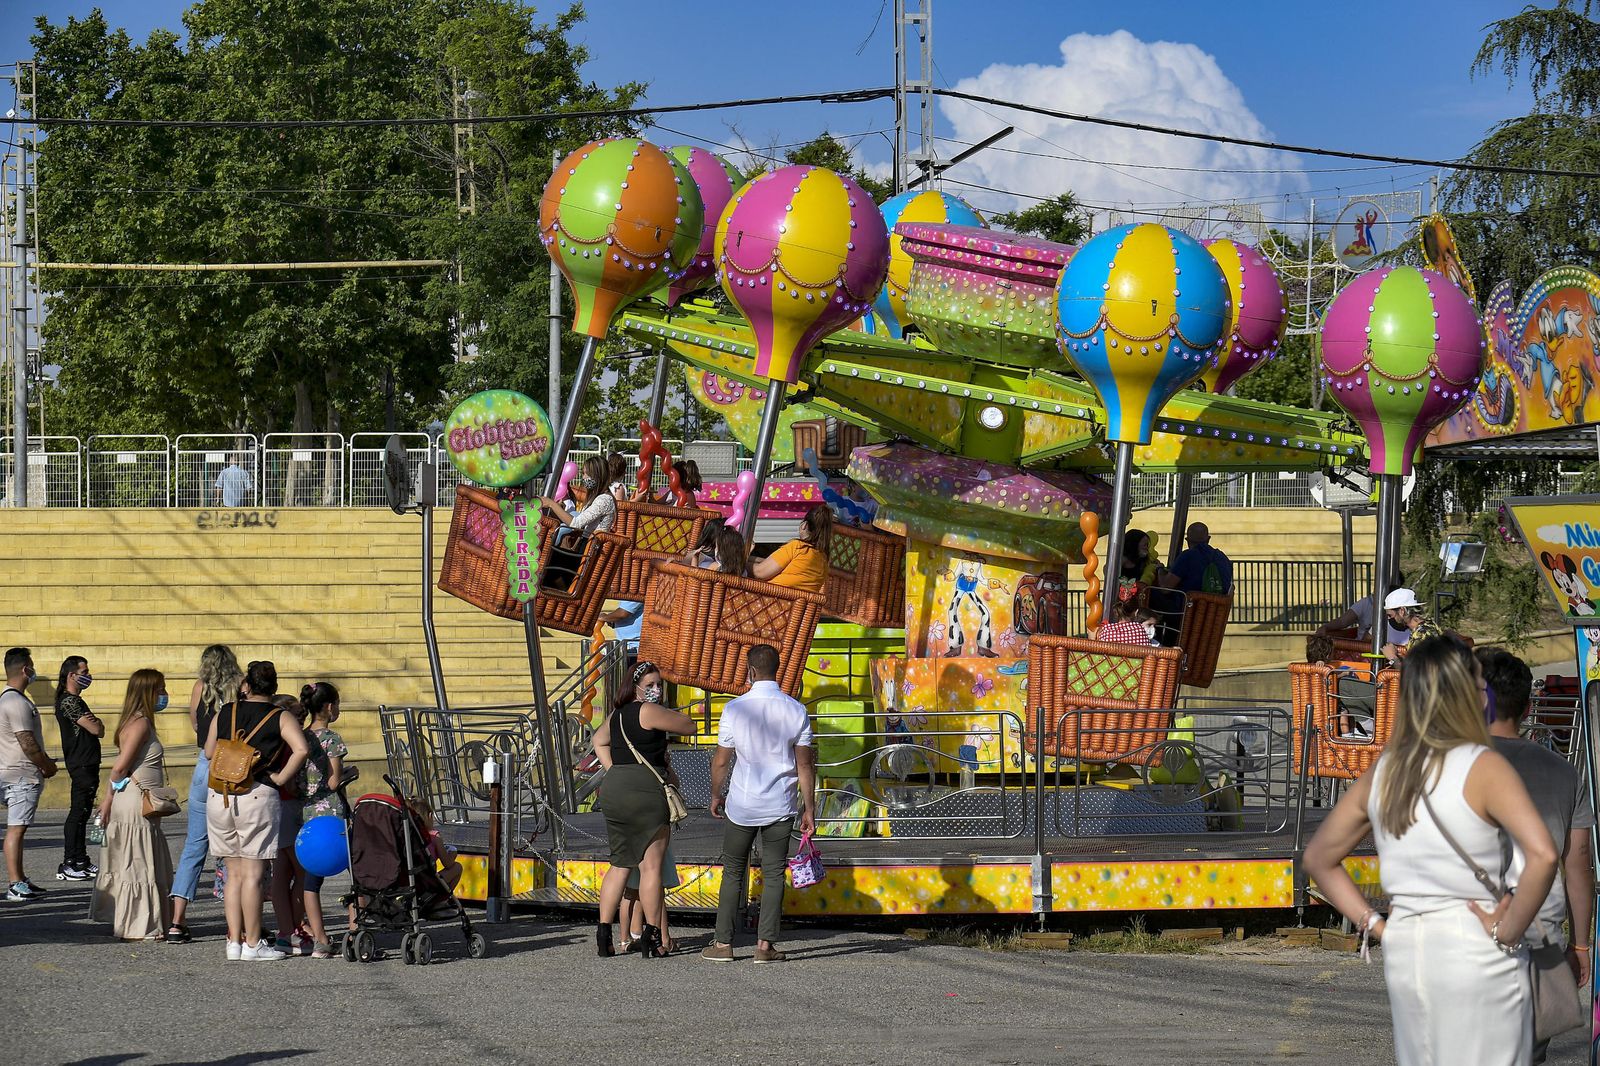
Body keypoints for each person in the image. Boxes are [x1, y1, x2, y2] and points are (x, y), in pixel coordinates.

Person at [1303, 635, 1559, 1066]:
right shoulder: (1483, 765)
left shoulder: (1387, 769)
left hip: (1408, 946)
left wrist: (1376, 925)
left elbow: (1319, 858)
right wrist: (1511, 928)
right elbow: (1545, 855)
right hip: (1476, 946)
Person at [1478, 648, 1595, 1065]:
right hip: (1538, 938)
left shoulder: (1445, 763)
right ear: (1528, 707)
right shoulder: (1563, 772)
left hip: (1461, 937)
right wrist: (1581, 946)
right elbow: (1578, 864)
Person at [703, 644, 816, 964]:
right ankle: (765, 947)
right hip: (780, 803)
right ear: (777, 669)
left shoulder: (735, 709)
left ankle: (723, 944)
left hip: (741, 803)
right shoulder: (795, 709)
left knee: (733, 873)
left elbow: (721, 762)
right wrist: (809, 808)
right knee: (774, 873)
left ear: (750, 671)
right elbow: (805, 766)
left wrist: (715, 794)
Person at [204, 660, 310, 961]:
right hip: (257, 792)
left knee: (233, 874)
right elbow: (300, 748)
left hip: (221, 793)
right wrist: (280, 777)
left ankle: (233, 942)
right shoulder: (280, 715)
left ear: (246, 685)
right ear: (274, 687)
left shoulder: (226, 711)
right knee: (253, 874)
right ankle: (253, 943)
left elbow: (210, 751)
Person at [591, 661, 696, 958]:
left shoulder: (617, 715)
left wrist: (614, 767)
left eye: (659, 685)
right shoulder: (649, 711)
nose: (656, 690)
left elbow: (597, 740)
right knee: (651, 867)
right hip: (646, 791)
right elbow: (690, 725)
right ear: (635, 687)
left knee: (620, 864)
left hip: (615, 787)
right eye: (650, 685)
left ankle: (603, 935)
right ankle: (651, 936)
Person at [92, 668, 176, 941]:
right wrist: (108, 799)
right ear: (148, 692)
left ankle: (136, 921)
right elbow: (119, 769)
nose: (164, 695)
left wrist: (107, 800)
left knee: (135, 860)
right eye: (160, 689)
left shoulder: (134, 721)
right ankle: (139, 925)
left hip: (131, 800)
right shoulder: (139, 723)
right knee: (138, 863)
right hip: (134, 803)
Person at [168, 644, 243, 943]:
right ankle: (234, 923)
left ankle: (177, 921)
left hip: (204, 764)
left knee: (194, 847)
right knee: (231, 847)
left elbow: (195, 723)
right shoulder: (239, 687)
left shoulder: (200, 687)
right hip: (233, 764)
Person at [1, 647, 57, 901]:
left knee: (18, 828)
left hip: (13, 773)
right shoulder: (15, 702)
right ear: (26, 669)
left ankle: (21, 878)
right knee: (16, 829)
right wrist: (46, 765)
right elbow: (27, 741)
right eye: (32, 666)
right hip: (20, 776)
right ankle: (14, 884)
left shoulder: (7, 698)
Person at [299, 681, 348, 959]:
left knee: (311, 879)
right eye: (337, 704)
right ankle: (354, 928)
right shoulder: (332, 739)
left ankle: (320, 939)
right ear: (329, 707)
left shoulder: (300, 737)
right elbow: (333, 780)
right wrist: (346, 772)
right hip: (331, 813)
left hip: (307, 815)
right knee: (356, 875)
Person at [53, 655, 104, 881]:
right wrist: (97, 723)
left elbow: (97, 726)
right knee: (78, 812)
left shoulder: (77, 701)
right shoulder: (69, 702)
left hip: (88, 762)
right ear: (71, 675)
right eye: (84, 673)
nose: (88, 676)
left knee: (83, 812)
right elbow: (96, 729)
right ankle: (70, 862)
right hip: (81, 763)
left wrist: (97, 723)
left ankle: (81, 859)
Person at [751, 505, 831, 593]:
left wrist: (740, 561)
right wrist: (750, 558)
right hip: (794, 605)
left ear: (804, 525)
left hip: (769, 602)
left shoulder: (798, 547)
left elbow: (759, 572)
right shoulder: (823, 559)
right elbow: (780, 564)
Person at [1315, 572, 1409, 645]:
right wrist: (1326, 627)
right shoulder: (1366, 603)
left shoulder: (1404, 613)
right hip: (1364, 651)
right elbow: (1343, 621)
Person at [539, 455, 617, 535]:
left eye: (586, 474)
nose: (583, 478)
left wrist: (551, 504)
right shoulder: (598, 497)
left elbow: (576, 524)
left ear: (597, 475)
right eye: (582, 473)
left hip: (588, 545)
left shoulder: (604, 500)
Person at [1165, 522, 1232, 595]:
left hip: (1189, 604)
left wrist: (1160, 569)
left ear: (1187, 540)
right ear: (1208, 539)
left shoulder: (1187, 556)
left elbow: (1165, 587)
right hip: (1218, 605)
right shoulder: (1222, 557)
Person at [1380, 588, 1444, 664]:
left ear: (1402, 611)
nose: (1389, 618)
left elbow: (1415, 673)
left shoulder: (1422, 635)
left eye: (1390, 615)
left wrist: (1392, 658)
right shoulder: (1427, 627)